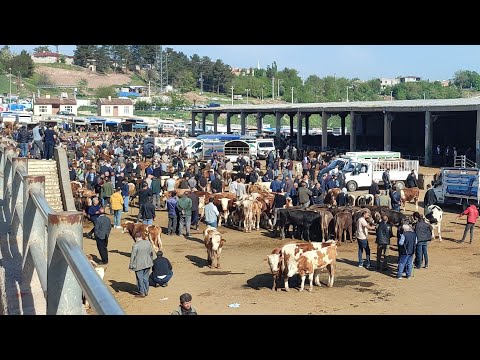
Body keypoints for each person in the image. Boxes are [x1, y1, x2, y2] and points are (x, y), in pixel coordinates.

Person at [129, 231, 154, 298]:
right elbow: (151, 253)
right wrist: (151, 261)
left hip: (139, 265)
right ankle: (146, 291)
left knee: (139, 279)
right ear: (141, 237)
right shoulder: (148, 243)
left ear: (136, 238)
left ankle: (142, 292)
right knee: (146, 278)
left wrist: (130, 266)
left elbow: (132, 256)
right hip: (148, 263)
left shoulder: (135, 245)